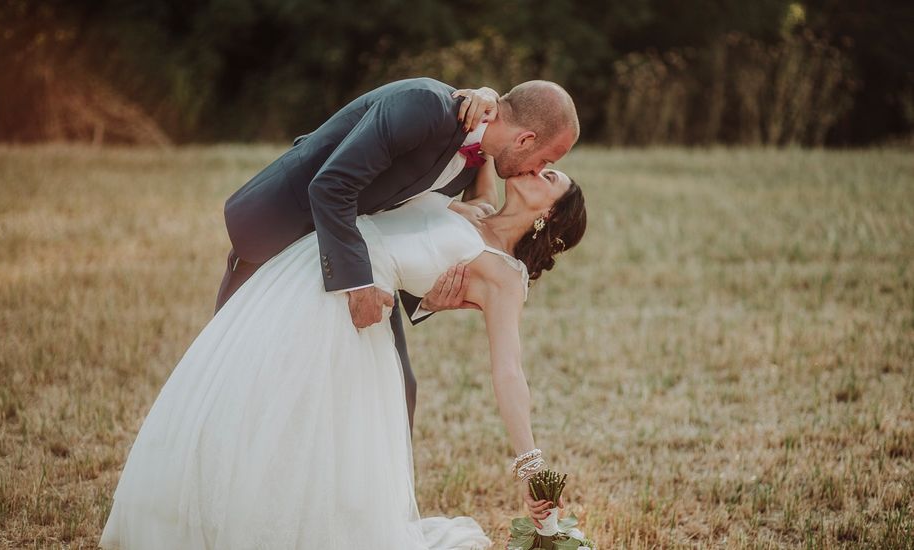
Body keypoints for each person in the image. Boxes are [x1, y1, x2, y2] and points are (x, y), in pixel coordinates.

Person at [99, 160, 587, 549]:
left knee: (292, 421)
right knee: (248, 400)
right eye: (543, 160)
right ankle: (205, 516)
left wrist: (529, 465)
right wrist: (482, 102)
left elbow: (508, 371)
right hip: (315, 266)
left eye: (551, 177)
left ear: (550, 216)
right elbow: (490, 140)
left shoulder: (505, 278)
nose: (539, 167)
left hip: (345, 311)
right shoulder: (477, 209)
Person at [217, 77, 580, 431]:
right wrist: (358, 285)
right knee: (239, 382)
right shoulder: (424, 106)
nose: (539, 170)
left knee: (399, 393)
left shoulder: (479, 156)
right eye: (546, 160)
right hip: (285, 231)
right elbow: (332, 185)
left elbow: (422, 223)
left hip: (359, 260)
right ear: (526, 138)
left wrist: (430, 294)